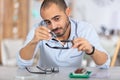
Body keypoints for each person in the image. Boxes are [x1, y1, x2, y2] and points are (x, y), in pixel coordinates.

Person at [17, 0, 110, 68]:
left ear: (68, 12)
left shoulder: (84, 29)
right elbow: (22, 64)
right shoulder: (39, 29)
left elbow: (105, 64)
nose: (53, 26)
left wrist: (91, 50)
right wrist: (33, 42)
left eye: (57, 18)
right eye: (48, 22)